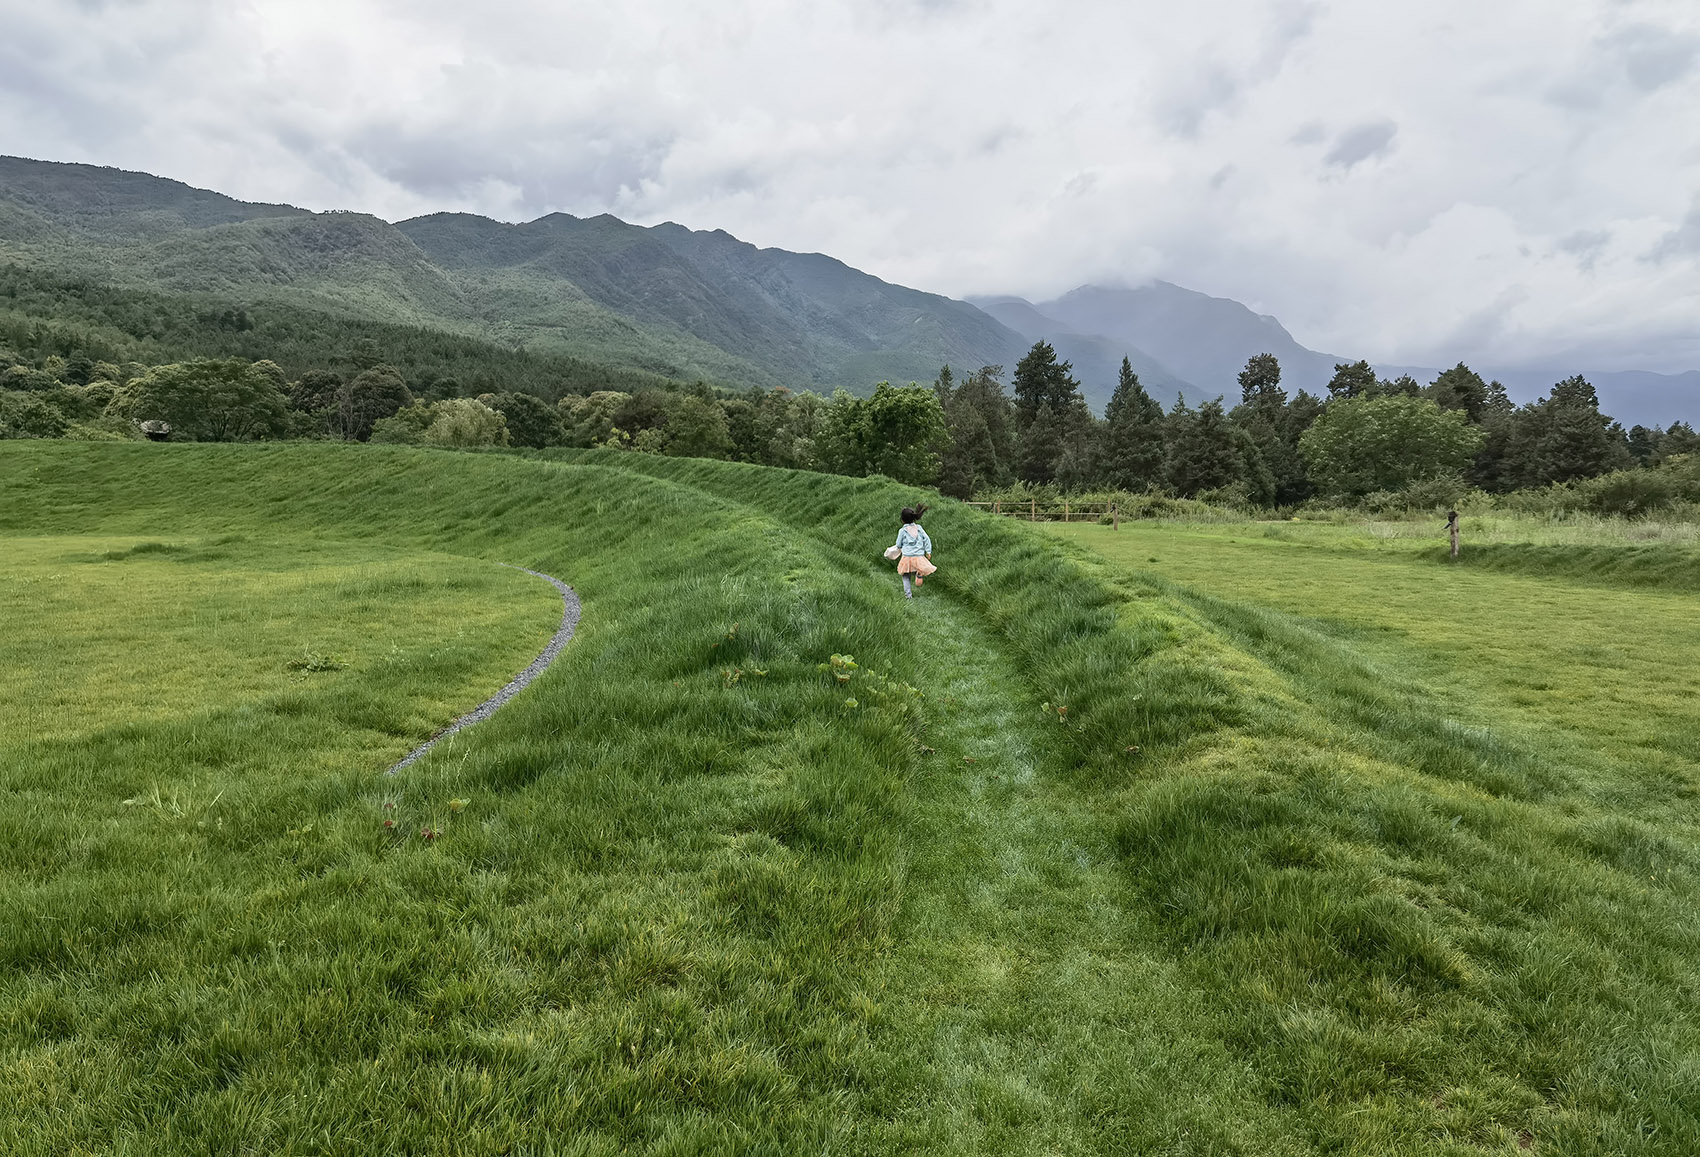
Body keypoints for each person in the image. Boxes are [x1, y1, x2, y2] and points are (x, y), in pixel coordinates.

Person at [892, 504, 936, 598]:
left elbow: (898, 544)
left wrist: (900, 547)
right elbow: (926, 539)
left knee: (905, 576)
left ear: (902, 520)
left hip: (907, 556)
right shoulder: (919, 528)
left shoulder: (902, 531)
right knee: (917, 568)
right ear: (913, 518)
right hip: (919, 556)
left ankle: (908, 596)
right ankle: (918, 573)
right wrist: (928, 551)